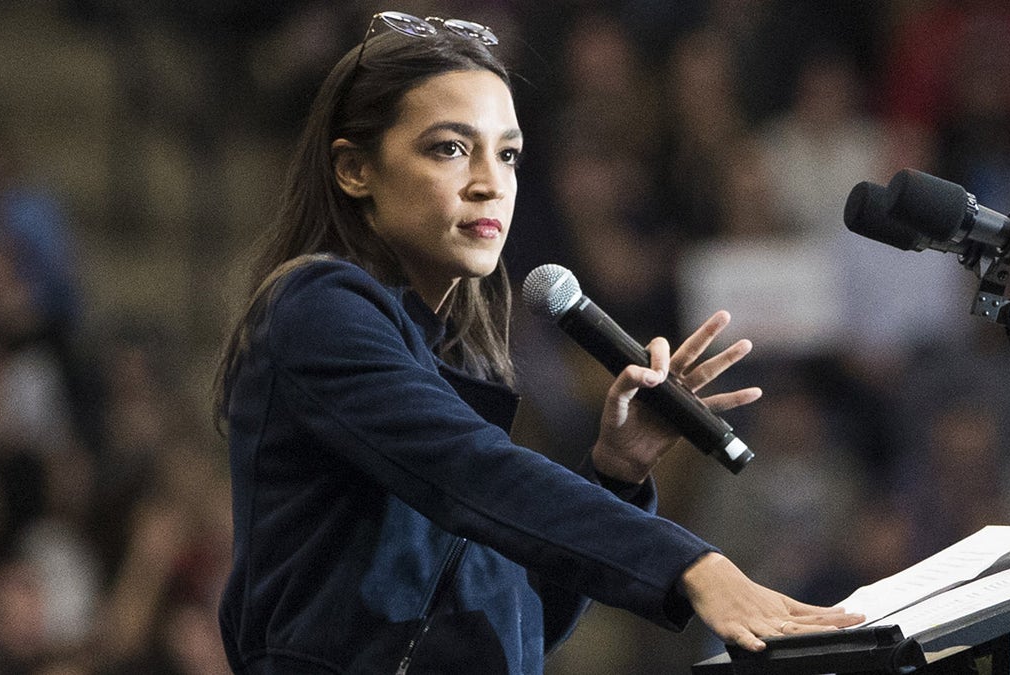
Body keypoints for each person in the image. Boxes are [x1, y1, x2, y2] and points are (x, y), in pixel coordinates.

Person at [213, 11, 863, 674]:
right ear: (355, 168)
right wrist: (690, 562)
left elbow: (517, 623)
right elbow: (476, 473)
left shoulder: (453, 354)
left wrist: (616, 469)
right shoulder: (318, 310)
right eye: (449, 148)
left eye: (508, 153)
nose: (490, 181)